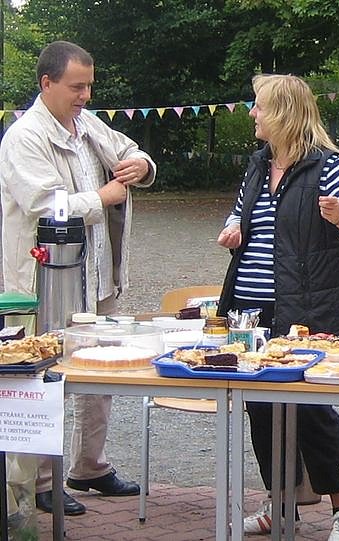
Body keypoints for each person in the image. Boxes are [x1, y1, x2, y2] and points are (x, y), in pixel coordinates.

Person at [216, 74, 339, 541]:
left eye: (259, 106)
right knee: (261, 408)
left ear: (284, 113)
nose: (252, 113)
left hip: (306, 310)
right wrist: (233, 228)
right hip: (250, 310)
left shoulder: (328, 166)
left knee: (311, 409)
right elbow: (241, 211)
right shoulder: (258, 164)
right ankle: (281, 505)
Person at [0, 41, 156, 516]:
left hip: (97, 276)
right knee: (43, 377)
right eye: (76, 87)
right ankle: (38, 482)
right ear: (46, 83)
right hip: (44, 282)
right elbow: (45, 205)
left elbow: (128, 150)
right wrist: (103, 196)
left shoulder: (85, 123)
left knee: (99, 373)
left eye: (89, 85)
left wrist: (142, 164)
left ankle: (89, 466)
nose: (85, 95)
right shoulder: (24, 137)